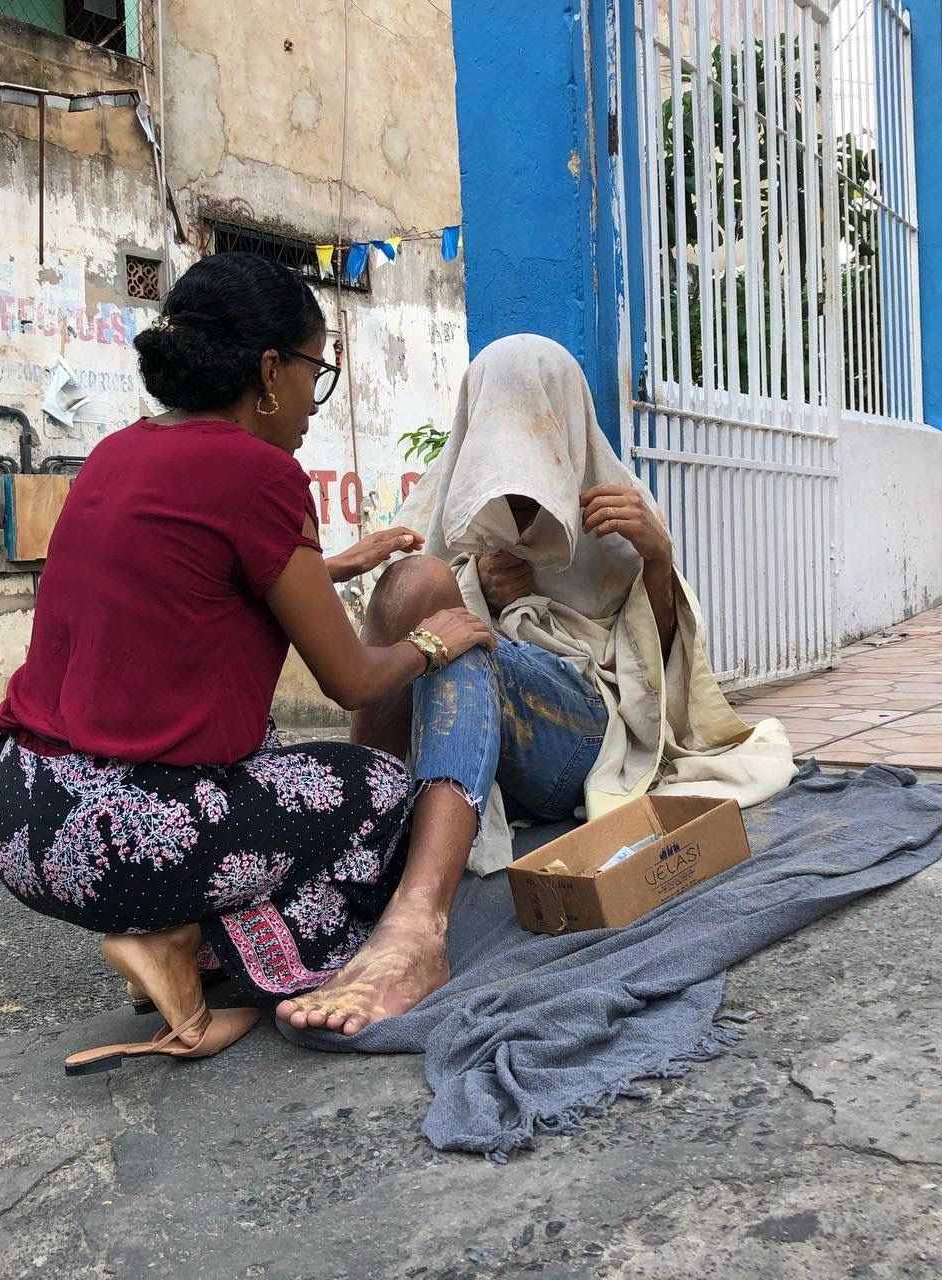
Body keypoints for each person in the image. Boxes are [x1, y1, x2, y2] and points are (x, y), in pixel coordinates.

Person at [0, 251, 493, 1073]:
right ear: (268, 371)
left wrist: (333, 565)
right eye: (315, 372)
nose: (312, 401)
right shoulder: (263, 476)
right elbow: (353, 682)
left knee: (264, 764)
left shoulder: (117, 452)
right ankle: (189, 945)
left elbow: (191, 579)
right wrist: (437, 641)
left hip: (21, 820)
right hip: (127, 839)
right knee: (377, 794)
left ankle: (180, 948)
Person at [276, 334, 795, 1039]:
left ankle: (417, 922)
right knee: (418, 582)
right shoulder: (448, 502)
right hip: (473, 751)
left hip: (582, 731)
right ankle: (371, 831)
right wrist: (480, 588)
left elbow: (660, 674)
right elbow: (397, 633)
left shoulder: (616, 504)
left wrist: (656, 557)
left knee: (463, 644)